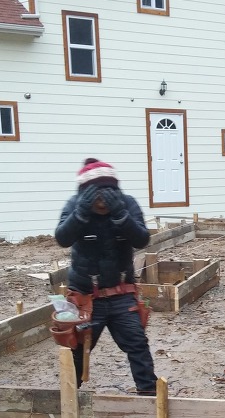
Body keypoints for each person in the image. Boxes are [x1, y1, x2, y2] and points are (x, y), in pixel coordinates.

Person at [54, 159, 157, 395]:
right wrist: (81, 213)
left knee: (138, 344)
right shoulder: (75, 205)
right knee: (78, 349)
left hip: (122, 294)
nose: (102, 202)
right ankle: (68, 400)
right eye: (97, 196)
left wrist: (121, 214)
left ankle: (149, 397)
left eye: (107, 195)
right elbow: (62, 238)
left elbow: (142, 239)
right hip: (86, 296)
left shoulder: (127, 204)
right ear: (87, 194)